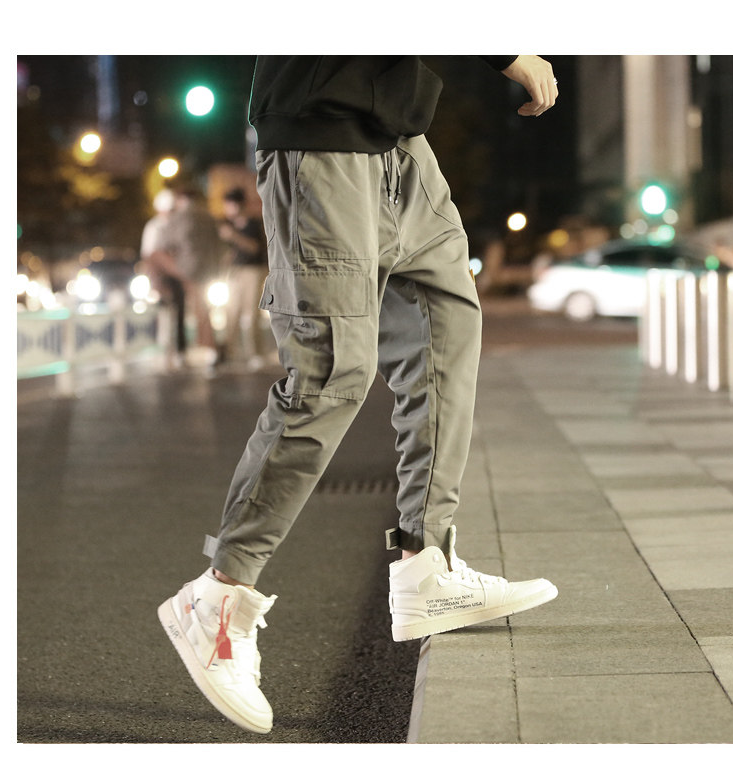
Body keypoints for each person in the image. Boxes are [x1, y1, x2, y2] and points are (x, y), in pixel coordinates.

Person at [158, 55, 560, 735]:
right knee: (332, 372)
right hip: (321, 133)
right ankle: (218, 597)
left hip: (402, 139)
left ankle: (426, 565)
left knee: (445, 329)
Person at [218, 187, 270, 369]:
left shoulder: (253, 224)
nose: (226, 209)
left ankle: (255, 353)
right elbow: (231, 251)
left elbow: (255, 248)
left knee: (251, 314)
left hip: (253, 271)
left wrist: (234, 236)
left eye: (228, 205)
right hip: (235, 272)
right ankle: (228, 352)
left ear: (237, 205)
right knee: (231, 313)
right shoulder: (229, 225)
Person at [170, 187, 224, 360]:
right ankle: (207, 345)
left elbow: (173, 242)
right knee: (203, 306)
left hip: (187, 268)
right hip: (207, 267)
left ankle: (206, 346)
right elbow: (217, 243)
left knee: (195, 307)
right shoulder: (207, 216)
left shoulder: (179, 217)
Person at [139, 188, 187, 357]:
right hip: (161, 277)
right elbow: (148, 255)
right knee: (163, 313)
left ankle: (180, 349)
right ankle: (163, 350)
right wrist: (153, 282)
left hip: (177, 276)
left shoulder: (177, 226)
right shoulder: (153, 227)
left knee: (180, 312)